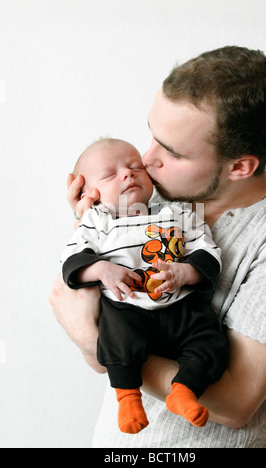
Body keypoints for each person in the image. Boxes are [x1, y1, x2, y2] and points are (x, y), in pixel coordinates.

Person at [49, 46, 266, 448]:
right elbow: (95, 360)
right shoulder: (149, 198)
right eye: (152, 136)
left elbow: (235, 404)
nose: (146, 160)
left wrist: (91, 338)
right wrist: (89, 229)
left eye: (174, 152)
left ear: (240, 167)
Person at [60, 138, 228, 434]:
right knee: (116, 337)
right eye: (111, 174)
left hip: (181, 305)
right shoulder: (97, 222)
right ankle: (127, 397)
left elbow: (209, 252)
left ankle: (185, 391)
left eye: (136, 166)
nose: (128, 174)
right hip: (127, 307)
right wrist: (101, 269)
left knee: (211, 342)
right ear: (87, 193)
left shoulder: (177, 214)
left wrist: (187, 272)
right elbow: (72, 260)